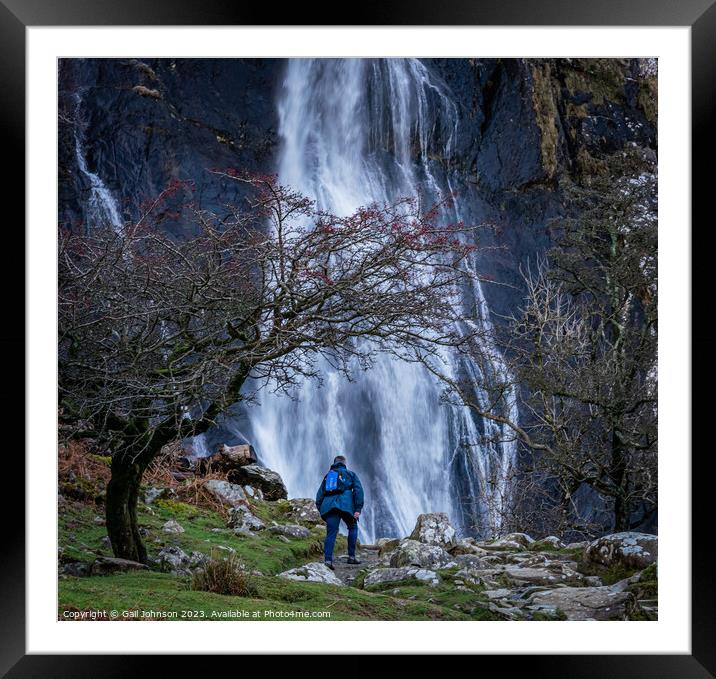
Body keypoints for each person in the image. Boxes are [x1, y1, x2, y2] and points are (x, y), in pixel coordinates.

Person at [315, 455, 364, 570]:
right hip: (347, 506)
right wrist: (358, 509)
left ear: (334, 463)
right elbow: (358, 491)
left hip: (330, 507)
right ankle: (351, 557)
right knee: (352, 527)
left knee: (331, 533)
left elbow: (319, 495)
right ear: (344, 463)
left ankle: (328, 560)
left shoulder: (328, 476)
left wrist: (322, 508)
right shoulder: (351, 474)